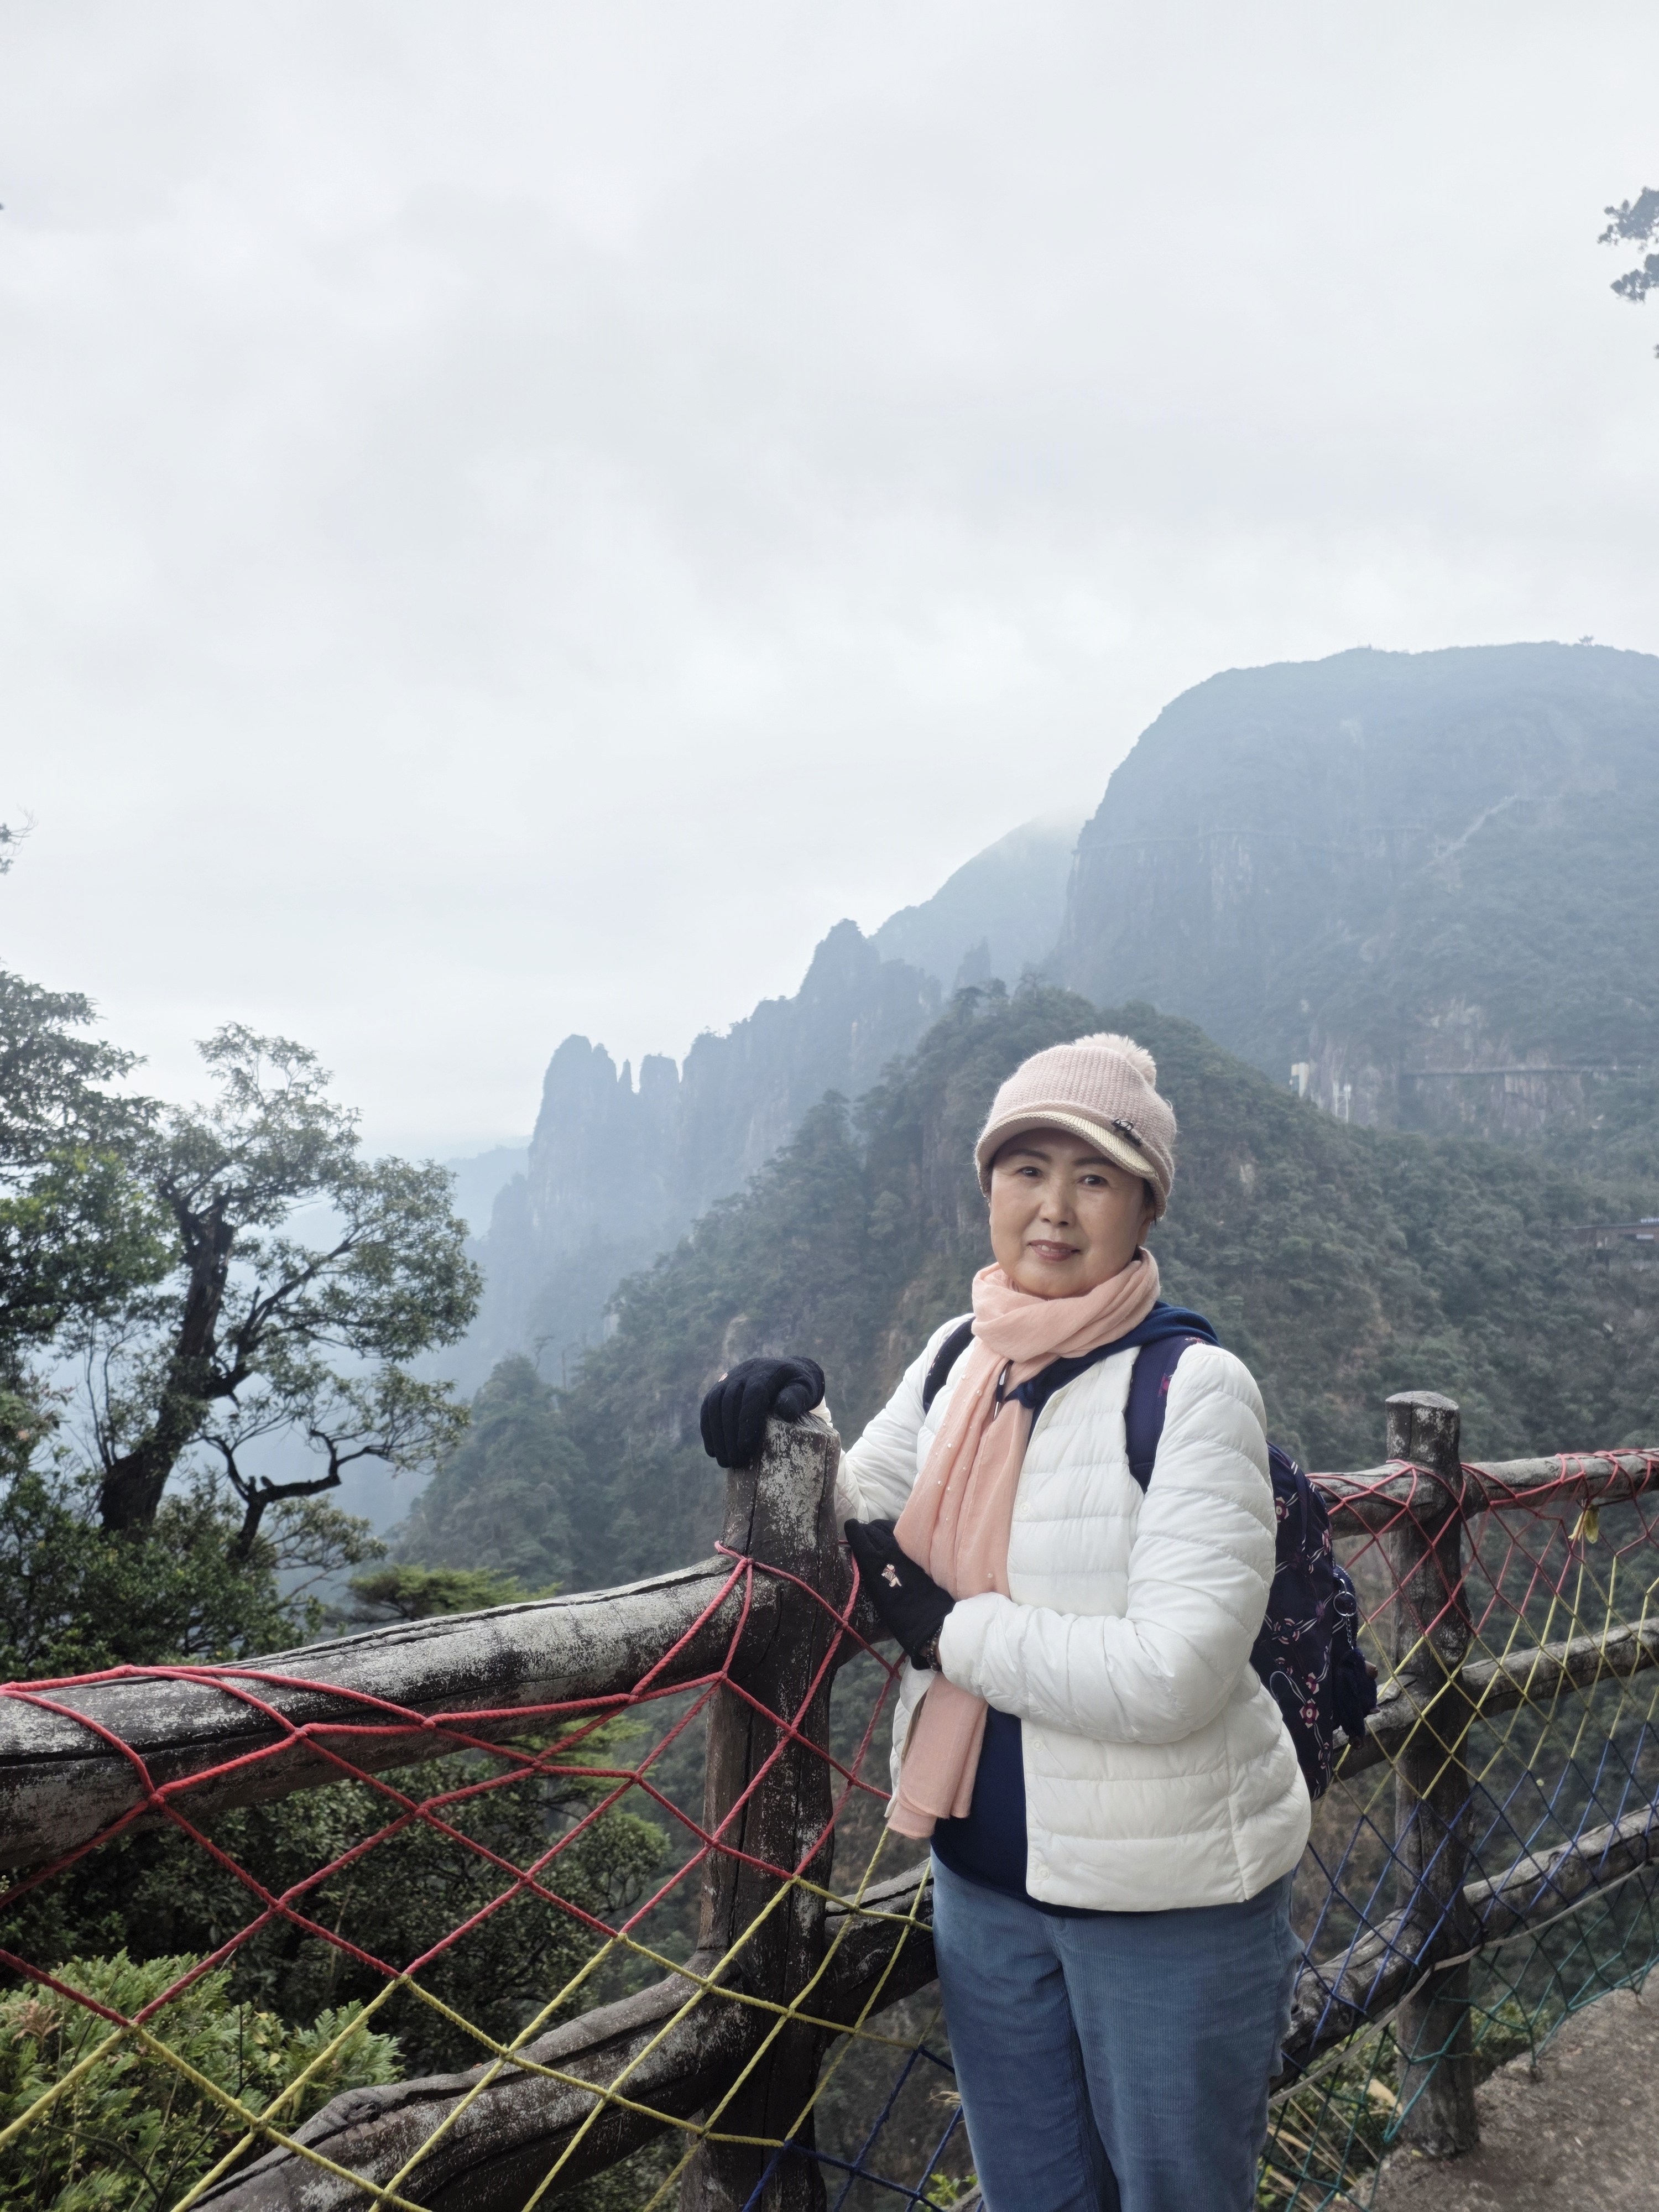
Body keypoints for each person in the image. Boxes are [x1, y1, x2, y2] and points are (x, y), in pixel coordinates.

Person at [700, 1032, 1310, 2212]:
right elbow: (856, 1511)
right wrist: (783, 1416)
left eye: (1095, 1176)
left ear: (1146, 1204)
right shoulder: (958, 1355)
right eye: (1027, 1169)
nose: (1055, 1207)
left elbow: (1176, 1671)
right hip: (984, 1888)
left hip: (1167, 1903)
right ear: (989, 1186)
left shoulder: (1192, 1389)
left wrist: (947, 1631)